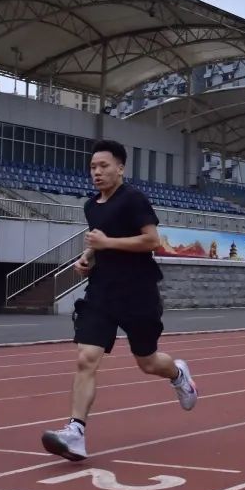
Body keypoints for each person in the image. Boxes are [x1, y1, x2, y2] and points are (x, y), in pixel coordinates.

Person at [41, 140, 197, 461]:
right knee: (86, 358)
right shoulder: (91, 206)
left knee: (148, 362)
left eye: (104, 166)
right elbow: (99, 243)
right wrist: (87, 258)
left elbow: (151, 240)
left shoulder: (134, 199)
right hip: (101, 292)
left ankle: (178, 374)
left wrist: (106, 243)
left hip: (138, 292)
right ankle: (75, 433)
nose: (96, 172)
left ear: (120, 168)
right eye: (92, 167)